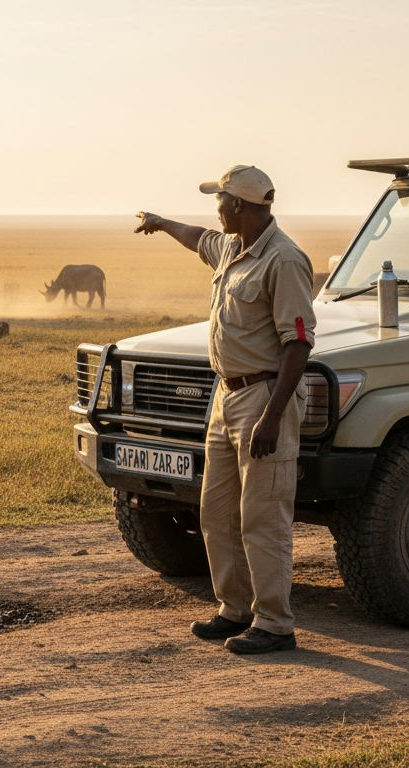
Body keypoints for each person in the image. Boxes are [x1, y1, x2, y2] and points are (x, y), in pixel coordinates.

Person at [135, 165, 316, 654]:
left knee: (263, 516)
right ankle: (234, 609)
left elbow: (298, 344)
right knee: (216, 512)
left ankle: (275, 623)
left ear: (238, 205)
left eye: (219, 199)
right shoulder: (231, 248)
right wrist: (160, 221)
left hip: (263, 397)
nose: (214, 207)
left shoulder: (283, 260)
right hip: (225, 396)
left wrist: (273, 416)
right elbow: (196, 237)